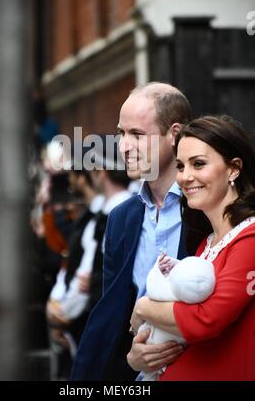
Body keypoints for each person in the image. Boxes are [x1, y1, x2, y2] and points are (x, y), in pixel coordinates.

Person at [70, 82, 192, 381]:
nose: (124, 146)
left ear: (174, 135)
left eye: (137, 135)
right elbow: (111, 314)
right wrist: (131, 360)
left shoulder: (206, 207)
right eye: (121, 133)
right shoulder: (121, 219)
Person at [128, 115, 255, 381]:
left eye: (198, 164)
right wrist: (140, 356)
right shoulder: (206, 244)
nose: (185, 177)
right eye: (180, 166)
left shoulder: (251, 237)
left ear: (234, 169)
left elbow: (206, 320)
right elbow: (181, 332)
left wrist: (142, 307)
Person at [138, 253, 215, 381]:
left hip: (154, 342)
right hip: (179, 348)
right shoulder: (196, 296)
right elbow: (189, 274)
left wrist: (157, 267)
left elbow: (152, 284)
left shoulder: (167, 293)